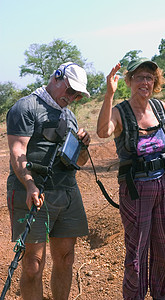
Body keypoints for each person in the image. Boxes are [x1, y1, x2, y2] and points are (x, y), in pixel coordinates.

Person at [97, 58, 165, 300]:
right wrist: (108, 95)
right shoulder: (120, 111)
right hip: (136, 189)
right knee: (137, 250)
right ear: (129, 81)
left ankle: (160, 294)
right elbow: (103, 131)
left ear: (155, 82)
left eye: (149, 77)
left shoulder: (159, 107)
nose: (145, 82)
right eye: (139, 77)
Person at [6, 62, 91, 300]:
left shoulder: (70, 116)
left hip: (67, 192)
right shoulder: (26, 107)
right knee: (33, 263)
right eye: (71, 90)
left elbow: (80, 161)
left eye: (78, 94)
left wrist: (84, 145)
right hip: (33, 192)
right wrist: (30, 185)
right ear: (56, 78)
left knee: (66, 258)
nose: (73, 97)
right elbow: (17, 150)